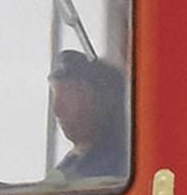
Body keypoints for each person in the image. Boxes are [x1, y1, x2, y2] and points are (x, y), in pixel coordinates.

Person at [49, 49, 129, 185]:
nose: (57, 109)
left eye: (69, 97)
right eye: (56, 96)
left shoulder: (124, 166)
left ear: (102, 100)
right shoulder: (68, 165)